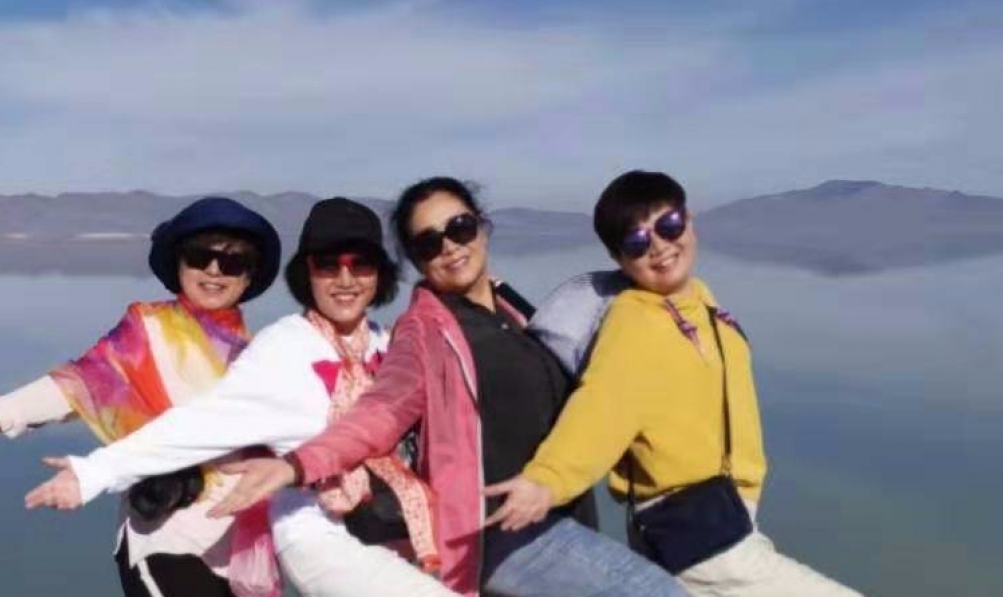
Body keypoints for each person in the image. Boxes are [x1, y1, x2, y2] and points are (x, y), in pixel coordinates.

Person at [206, 178, 687, 597]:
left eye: (460, 228)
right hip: (501, 530)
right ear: (416, 261)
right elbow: (380, 413)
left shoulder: (516, 311)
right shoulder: (424, 332)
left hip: (562, 513)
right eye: (429, 243)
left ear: (482, 226)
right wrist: (296, 465)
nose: (450, 247)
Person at [21, 198, 459, 597]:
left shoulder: (389, 347)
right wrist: (94, 472)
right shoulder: (284, 348)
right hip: (317, 534)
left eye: (361, 264)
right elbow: (201, 423)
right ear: (306, 274)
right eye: (327, 264)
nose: (345, 279)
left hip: (389, 529)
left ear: (380, 274)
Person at [484, 170, 861, 596]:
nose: (659, 246)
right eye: (636, 242)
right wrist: (547, 480)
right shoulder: (636, 320)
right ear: (619, 258)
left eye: (668, 225)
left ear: (688, 220)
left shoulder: (700, 300)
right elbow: (603, 407)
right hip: (695, 532)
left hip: (726, 518)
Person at [0, 197, 283, 597]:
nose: (214, 270)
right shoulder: (148, 331)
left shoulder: (260, 353)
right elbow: (74, 386)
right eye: (200, 257)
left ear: (249, 277)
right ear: (179, 264)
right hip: (167, 541)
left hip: (237, 548)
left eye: (233, 262)